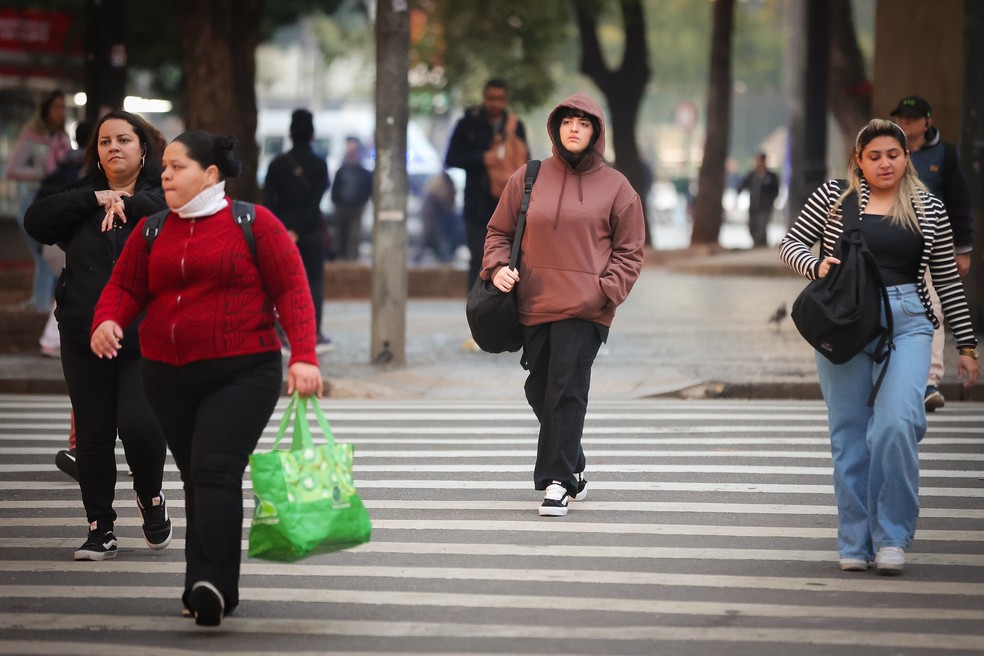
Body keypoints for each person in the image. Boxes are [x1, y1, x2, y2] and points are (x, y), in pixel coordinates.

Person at [91, 130, 323, 627]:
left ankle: (208, 584)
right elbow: (123, 287)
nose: (165, 176)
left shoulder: (253, 223)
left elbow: (293, 290)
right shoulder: (152, 229)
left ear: (211, 174)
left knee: (215, 469)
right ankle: (215, 584)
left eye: (177, 167)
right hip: (166, 375)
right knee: (198, 477)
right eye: (165, 167)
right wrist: (107, 321)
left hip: (243, 370)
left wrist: (304, 355)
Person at [779, 118, 979, 575]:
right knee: (849, 435)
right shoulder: (834, 198)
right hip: (845, 320)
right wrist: (815, 264)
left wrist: (966, 345)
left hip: (908, 322)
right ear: (859, 160)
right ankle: (856, 539)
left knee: (895, 425)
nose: (885, 163)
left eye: (894, 154)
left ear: (906, 158)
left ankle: (892, 536)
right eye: (875, 156)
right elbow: (789, 243)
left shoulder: (929, 207)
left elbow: (947, 280)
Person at [482, 93, 645, 517]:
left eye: (584, 122)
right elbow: (498, 232)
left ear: (596, 132)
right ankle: (575, 464)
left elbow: (631, 252)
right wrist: (497, 267)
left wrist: (604, 292)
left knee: (566, 390)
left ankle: (556, 483)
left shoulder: (618, 187)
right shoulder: (529, 176)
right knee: (541, 389)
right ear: (556, 127)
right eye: (568, 120)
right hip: (534, 303)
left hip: (585, 309)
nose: (574, 128)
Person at [24, 110, 171, 562]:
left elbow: (175, 213)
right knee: (93, 431)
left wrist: (126, 204)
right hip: (84, 331)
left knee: (141, 425)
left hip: (143, 333)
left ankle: (150, 496)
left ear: (143, 149)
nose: (114, 147)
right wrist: (96, 199)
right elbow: (37, 221)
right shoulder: (80, 198)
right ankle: (99, 527)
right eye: (105, 141)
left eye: (124, 140)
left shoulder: (160, 195)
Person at [890, 96, 975, 412]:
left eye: (912, 117)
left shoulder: (944, 155)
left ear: (927, 121)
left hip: (929, 245)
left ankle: (928, 382)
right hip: (890, 243)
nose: (906, 122)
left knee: (933, 309)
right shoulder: (890, 150)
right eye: (901, 117)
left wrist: (962, 251)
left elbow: (960, 203)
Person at [445, 78, 528, 291]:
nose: (495, 103)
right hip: (478, 203)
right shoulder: (468, 123)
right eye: (491, 98)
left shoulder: (515, 126)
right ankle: (476, 303)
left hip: (509, 201)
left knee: (510, 257)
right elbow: (451, 158)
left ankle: (502, 304)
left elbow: (526, 162)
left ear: (506, 100)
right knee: (479, 257)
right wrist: (482, 158)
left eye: (500, 99)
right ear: (484, 98)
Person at [263, 109, 333, 352]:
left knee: (282, 283)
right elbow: (316, 202)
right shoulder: (320, 164)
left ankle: (282, 332)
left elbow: (268, 202)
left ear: (290, 134)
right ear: (312, 135)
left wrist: (284, 230)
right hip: (311, 230)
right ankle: (313, 332)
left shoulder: (277, 164)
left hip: (280, 231)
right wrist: (300, 229)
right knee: (314, 282)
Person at [7, 90, 72, 312]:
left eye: (63, 107)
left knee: (53, 259)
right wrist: (41, 173)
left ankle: (48, 307)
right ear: (45, 110)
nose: (60, 113)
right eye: (56, 107)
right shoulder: (32, 137)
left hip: (55, 201)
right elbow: (11, 169)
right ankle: (43, 309)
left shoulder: (63, 138)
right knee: (45, 258)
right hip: (33, 201)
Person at [330, 136, 373, 261]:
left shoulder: (363, 172)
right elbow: (335, 188)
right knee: (341, 236)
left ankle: (351, 260)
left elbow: (368, 189)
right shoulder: (342, 170)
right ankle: (341, 258)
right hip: (341, 206)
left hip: (357, 207)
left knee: (353, 237)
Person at [736, 152, 780, 248]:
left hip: (765, 206)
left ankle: (761, 244)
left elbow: (775, 190)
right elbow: (743, 185)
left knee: (762, 226)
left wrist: (771, 200)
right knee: (752, 226)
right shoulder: (752, 175)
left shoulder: (771, 177)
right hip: (753, 205)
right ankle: (757, 243)